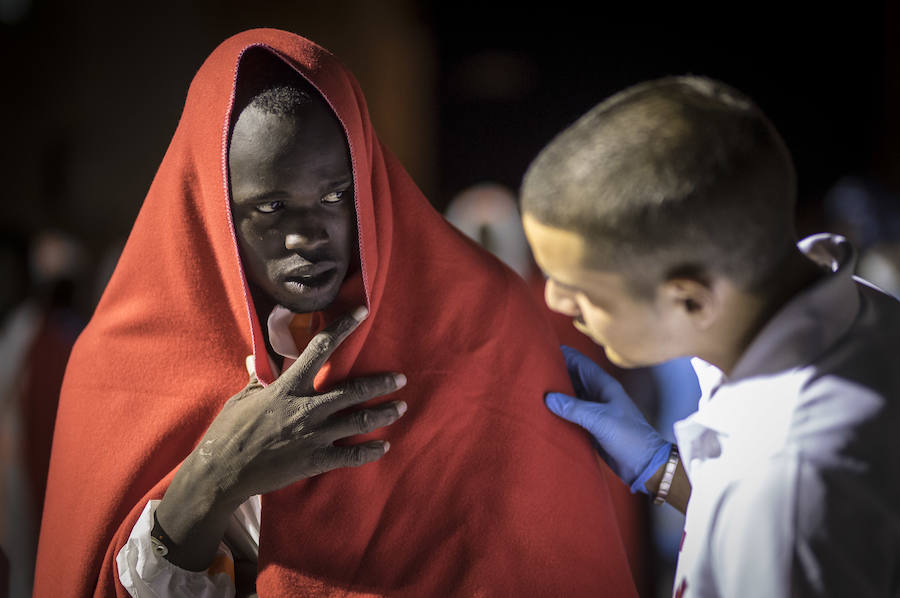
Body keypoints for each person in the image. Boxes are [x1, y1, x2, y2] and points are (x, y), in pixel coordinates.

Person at [35, 30, 638, 597]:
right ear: (210, 205)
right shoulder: (120, 363)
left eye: (334, 195)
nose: (309, 236)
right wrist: (211, 482)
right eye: (270, 206)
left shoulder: (483, 323)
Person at [520, 75, 900, 596]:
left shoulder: (786, 486)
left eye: (582, 291)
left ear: (690, 301)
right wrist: (662, 471)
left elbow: (777, 524)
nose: (554, 303)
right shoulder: (863, 309)